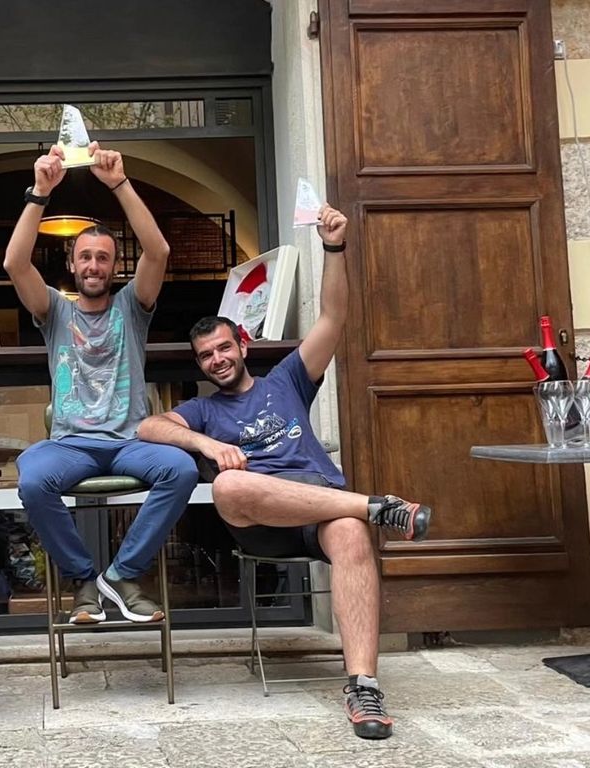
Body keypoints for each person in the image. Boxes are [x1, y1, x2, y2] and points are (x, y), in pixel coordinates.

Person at [137, 204, 432, 740]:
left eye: (224, 348)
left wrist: (334, 247)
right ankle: (375, 506)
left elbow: (333, 319)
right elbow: (148, 428)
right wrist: (207, 443)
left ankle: (363, 686)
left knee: (349, 532)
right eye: (205, 356)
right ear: (199, 364)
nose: (217, 359)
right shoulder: (203, 410)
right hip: (263, 523)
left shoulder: (288, 379)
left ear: (242, 345)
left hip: (320, 506)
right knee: (228, 484)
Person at [3, 143, 198, 624]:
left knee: (182, 469)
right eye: (85, 257)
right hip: (71, 444)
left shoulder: (133, 306)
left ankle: (123, 575)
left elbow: (159, 250)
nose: (94, 265)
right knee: (33, 480)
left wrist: (119, 184)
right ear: (72, 265)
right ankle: (84, 580)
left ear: (115, 267)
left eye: (103, 258)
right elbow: (14, 264)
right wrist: (40, 192)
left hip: (131, 442)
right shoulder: (54, 311)